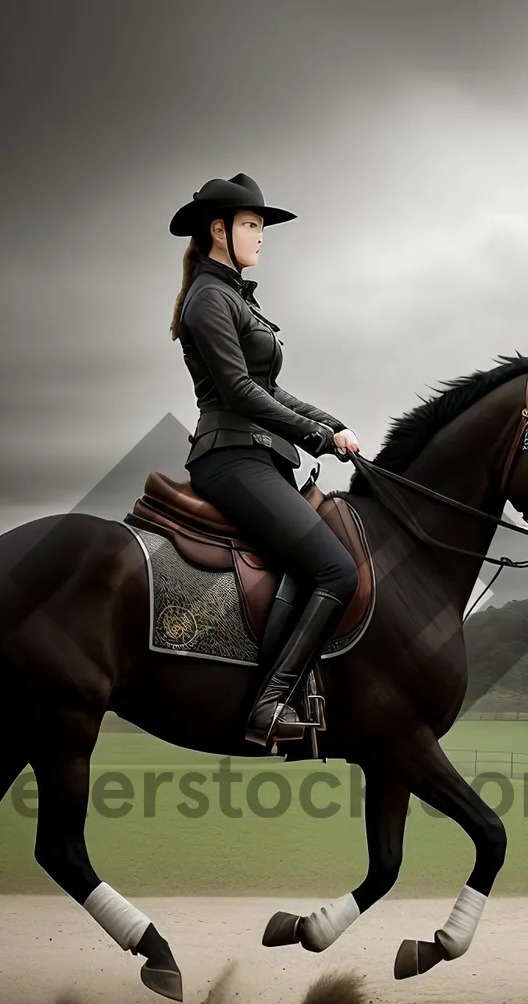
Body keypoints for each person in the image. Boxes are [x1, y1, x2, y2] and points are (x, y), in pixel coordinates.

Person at [169, 173, 360, 748]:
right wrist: (316, 438)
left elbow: (271, 390)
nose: (260, 236)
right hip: (231, 456)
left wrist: (332, 424)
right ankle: (269, 704)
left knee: (316, 561)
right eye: (252, 225)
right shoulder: (208, 298)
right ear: (218, 231)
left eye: (260, 226)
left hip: (262, 456)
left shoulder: (232, 297)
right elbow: (238, 392)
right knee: (337, 570)